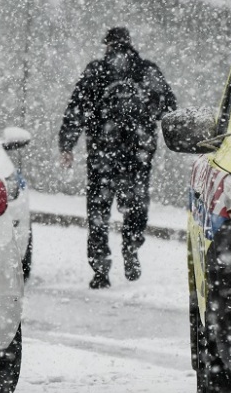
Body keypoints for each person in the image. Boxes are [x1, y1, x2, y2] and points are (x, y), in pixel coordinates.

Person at [60, 27, 176, 289]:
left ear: (108, 45)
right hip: (137, 156)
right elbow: (170, 108)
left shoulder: (96, 71)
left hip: (102, 155)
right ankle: (131, 249)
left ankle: (100, 269)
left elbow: (76, 109)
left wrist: (67, 144)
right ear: (130, 44)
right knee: (135, 207)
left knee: (98, 213)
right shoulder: (147, 71)